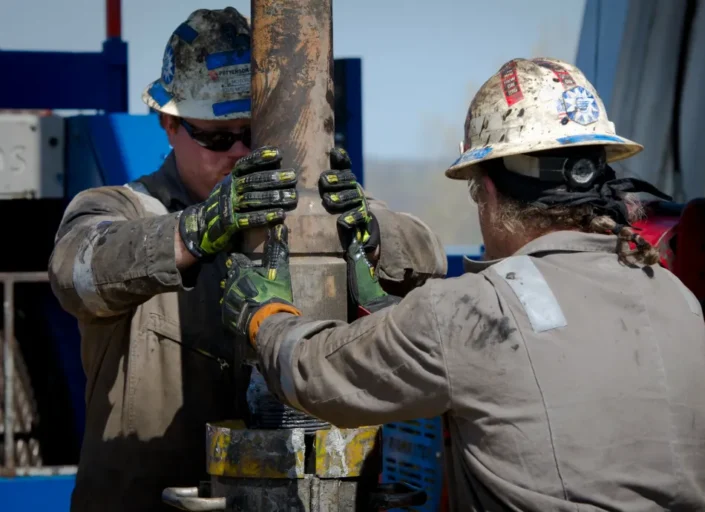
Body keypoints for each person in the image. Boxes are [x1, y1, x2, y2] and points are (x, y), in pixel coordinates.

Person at [220, 57, 705, 511]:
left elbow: (314, 375)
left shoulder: (473, 311)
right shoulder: (674, 295)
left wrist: (265, 318)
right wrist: (388, 315)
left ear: (487, 188)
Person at [47, 7, 446, 512]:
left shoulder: (316, 211)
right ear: (169, 124)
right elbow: (76, 271)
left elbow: (430, 256)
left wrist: (374, 236)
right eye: (217, 137)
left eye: (252, 134)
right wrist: (194, 231)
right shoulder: (123, 209)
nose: (238, 152)